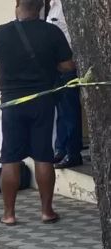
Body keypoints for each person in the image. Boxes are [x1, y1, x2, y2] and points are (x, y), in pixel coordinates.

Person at [0, 0, 75, 226]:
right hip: (43, 102)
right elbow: (68, 65)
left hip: (11, 103)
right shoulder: (52, 32)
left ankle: (9, 214)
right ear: (40, 8)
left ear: (17, 5)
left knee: (10, 158)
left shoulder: (1, 33)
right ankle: (46, 211)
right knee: (43, 155)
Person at [47, 0, 83, 168]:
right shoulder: (52, 6)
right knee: (61, 111)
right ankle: (60, 149)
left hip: (68, 66)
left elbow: (75, 36)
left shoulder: (66, 6)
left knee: (70, 111)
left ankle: (72, 152)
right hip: (55, 67)